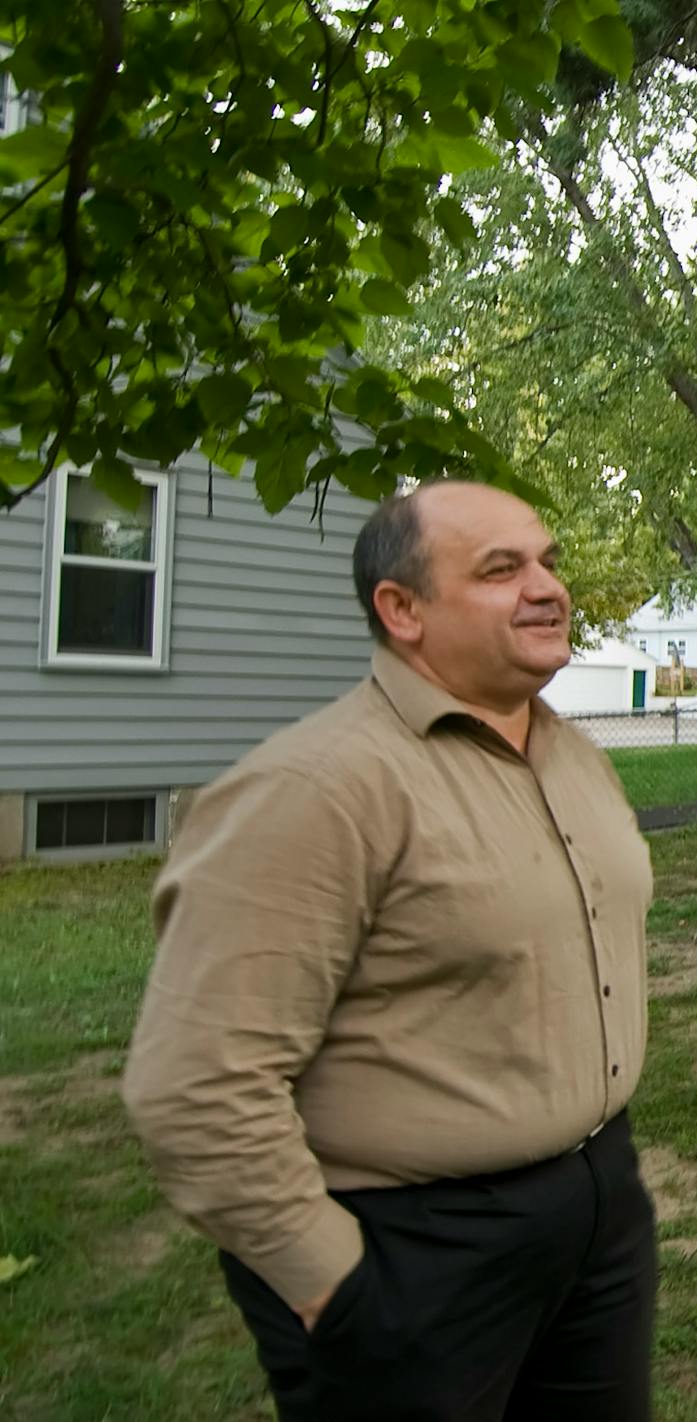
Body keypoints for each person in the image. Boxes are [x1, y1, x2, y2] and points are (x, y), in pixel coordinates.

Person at [122, 481, 657, 1421]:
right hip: (412, 1251)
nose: (547, 588)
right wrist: (332, 1283)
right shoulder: (313, 789)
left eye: (547, 560)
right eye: (501, 570)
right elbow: (197, 1084)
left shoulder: (574, 757)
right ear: (400, 610)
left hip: (595, 1210)